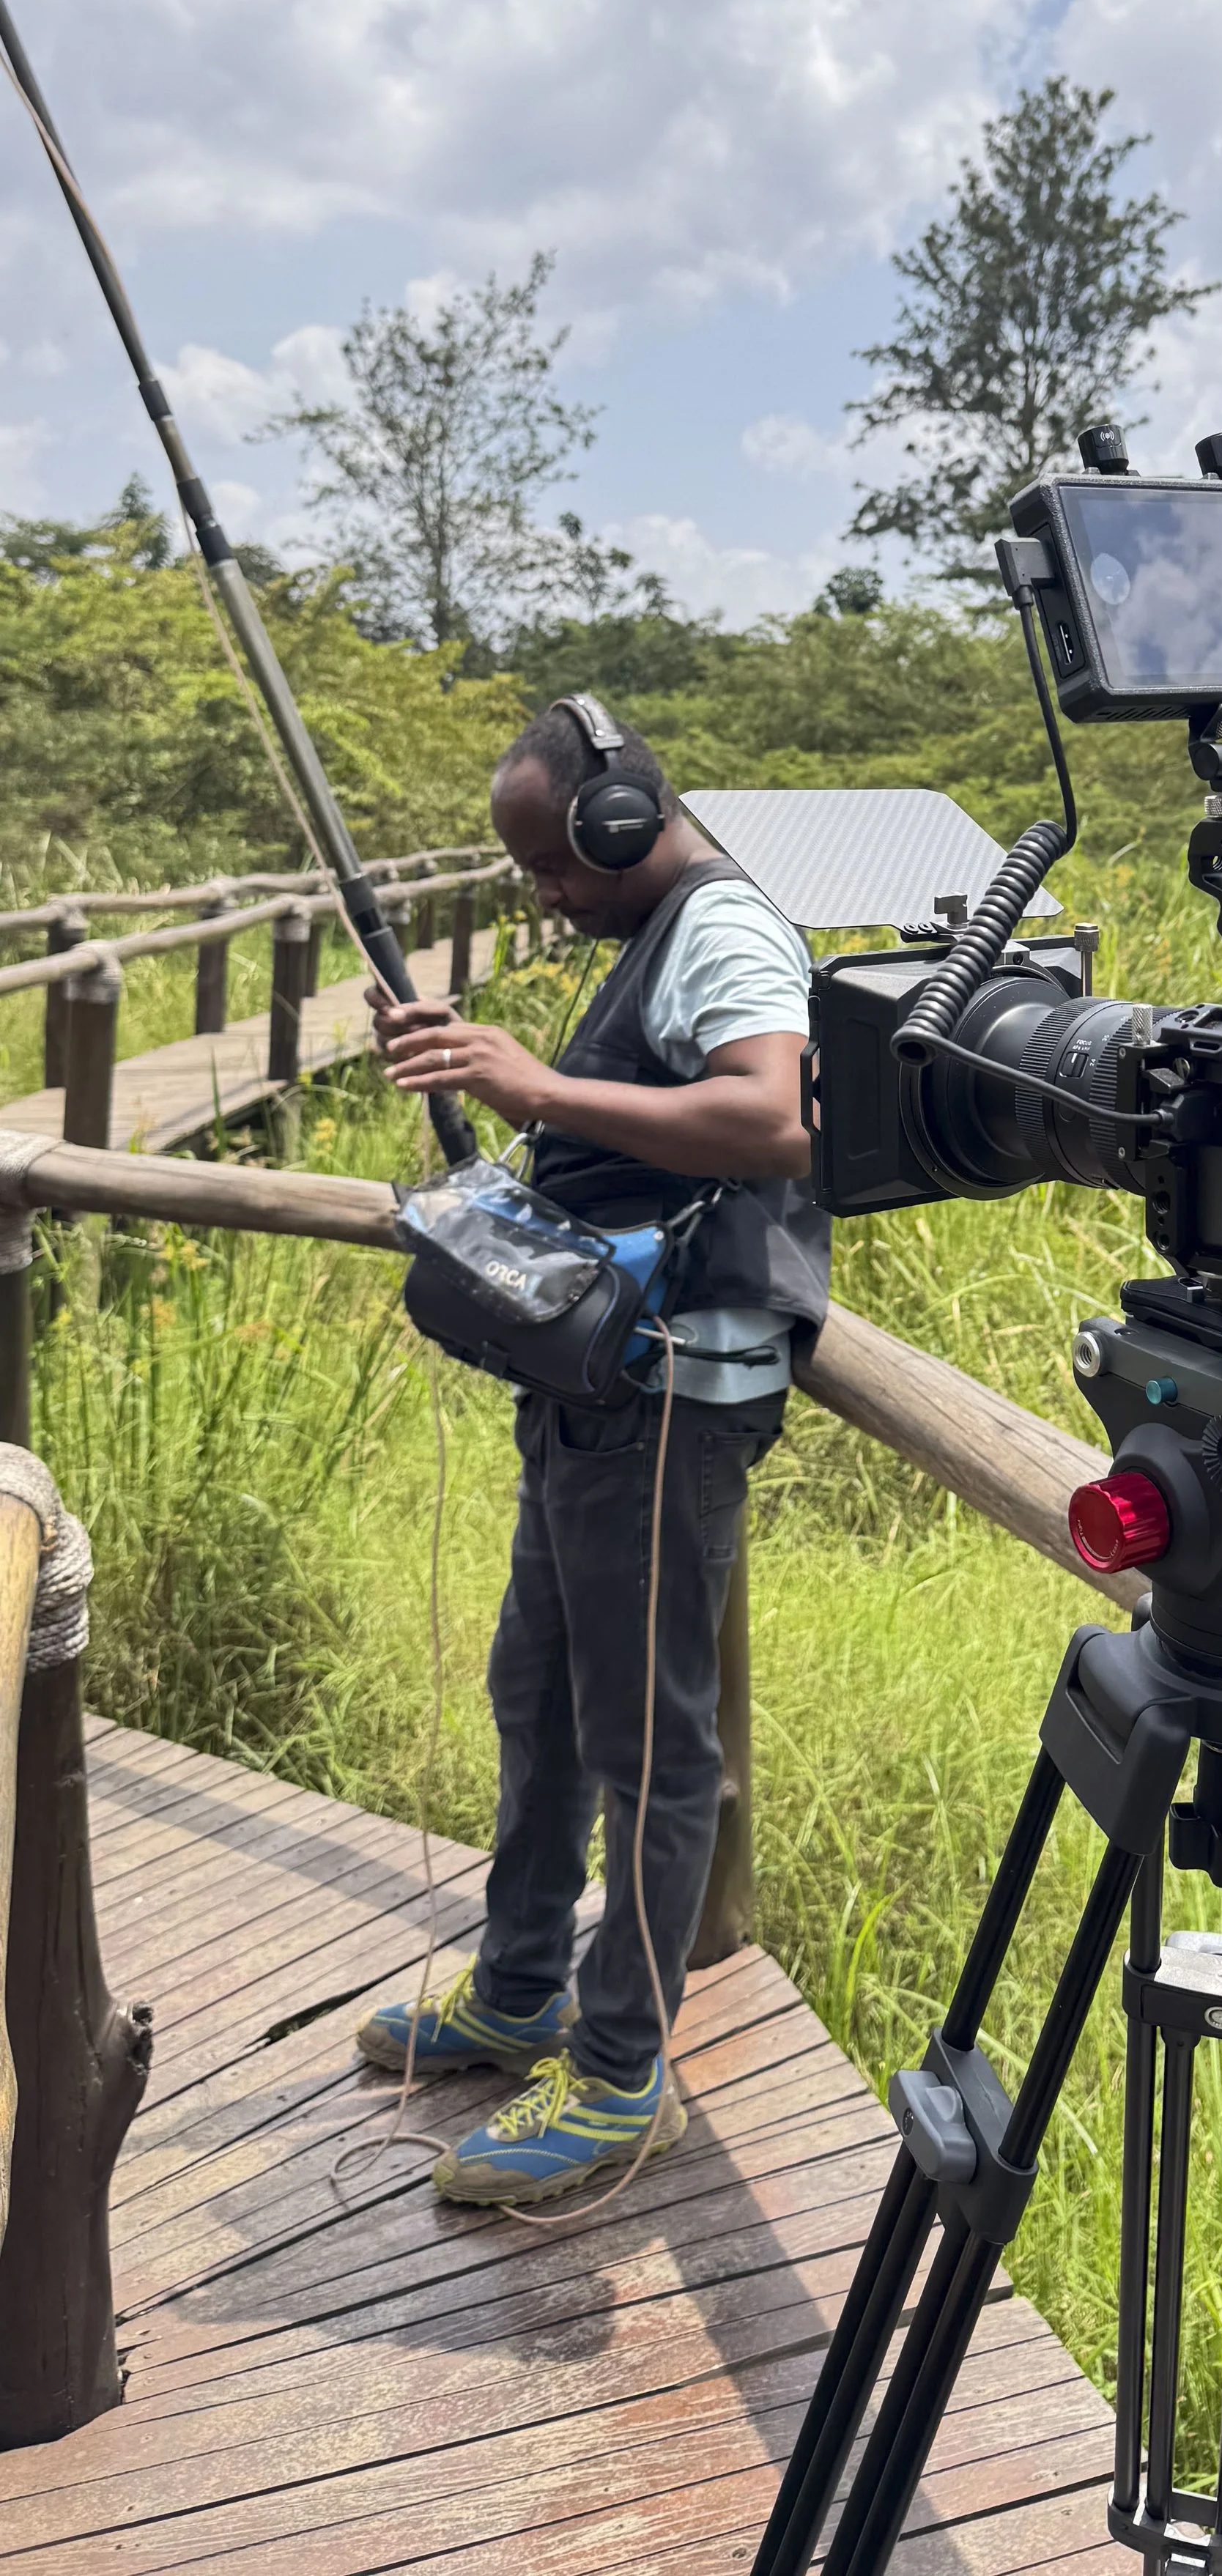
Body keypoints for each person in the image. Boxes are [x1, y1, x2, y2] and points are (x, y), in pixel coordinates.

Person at [355, 696, 829, 2205]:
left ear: (624, 825)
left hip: (674, 1389)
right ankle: (515, 1986)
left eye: (553, 863)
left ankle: (623, 2076)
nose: (545, 894)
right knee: (538, 1690)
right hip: (596, 1381)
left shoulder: (724, 927)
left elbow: (770, 1119)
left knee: (647, 1741)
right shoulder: (651, 931)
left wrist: (532, 1084)